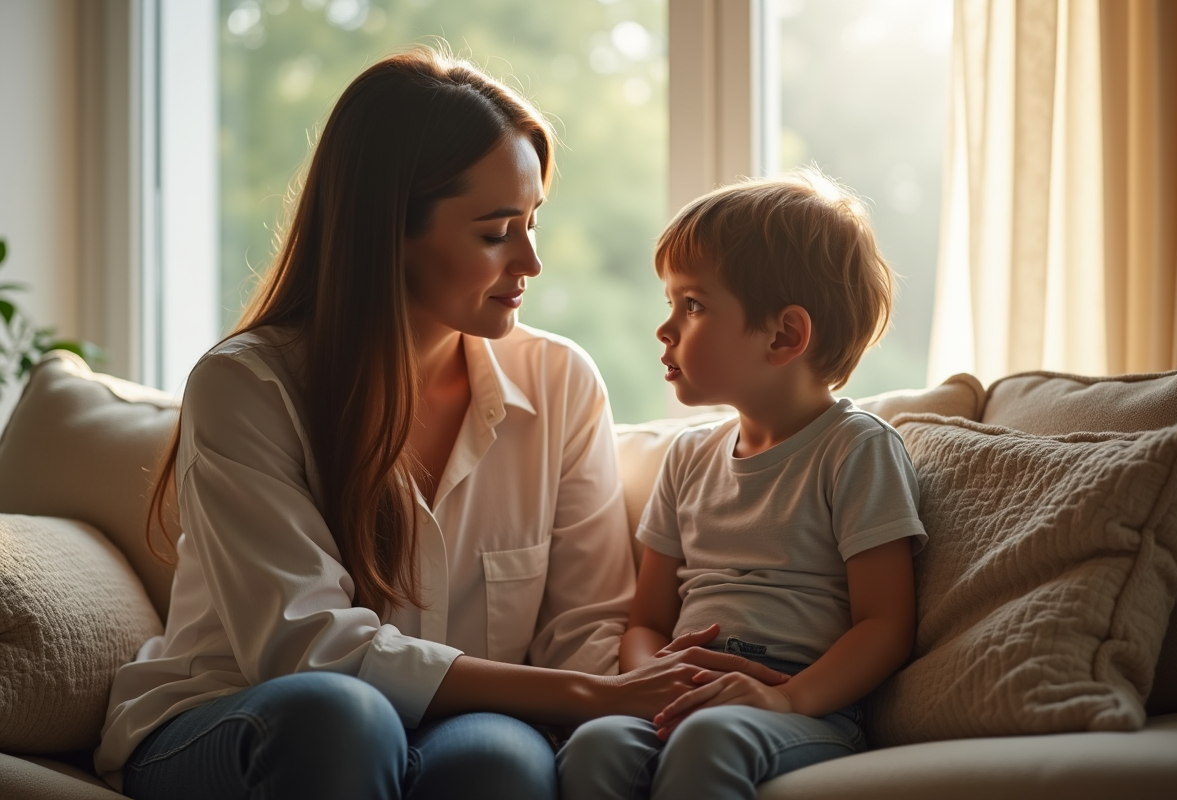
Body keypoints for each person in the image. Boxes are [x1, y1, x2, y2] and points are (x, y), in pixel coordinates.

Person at [94, 47, 788, 800]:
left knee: (505, 761)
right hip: (227, 717)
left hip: (457, 721)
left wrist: (655, 695)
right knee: (343, 718)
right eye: (496, 233)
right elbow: (306, 649)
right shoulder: (246, 385)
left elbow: (583, 631)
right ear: (387, 230)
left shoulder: (560, 383)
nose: (531, 260)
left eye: (532, 222)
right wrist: (590, 698)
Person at [557, 171, 929, 800]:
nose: (665, 327)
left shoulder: (856, 450)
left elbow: (884, 625)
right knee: (593, 745)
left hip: (802, 708)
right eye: (669, 302)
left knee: (713, 741)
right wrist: (651, 680)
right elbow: (646, 621)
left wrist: (785, 699)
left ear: (784, 335)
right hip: (680, 692)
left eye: (693, 305)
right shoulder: (687, 457)